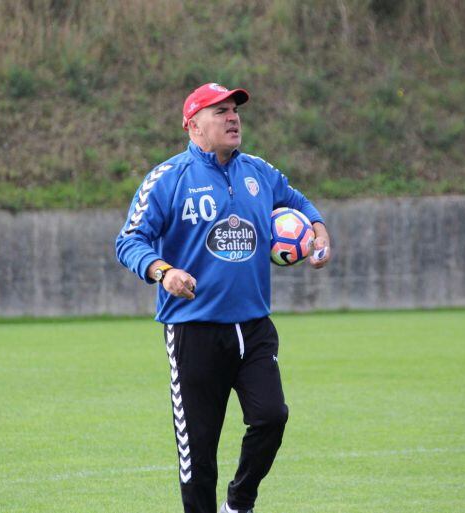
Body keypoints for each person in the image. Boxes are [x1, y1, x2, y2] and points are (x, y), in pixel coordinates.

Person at [115, 82, 331, 513]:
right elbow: (130, 240)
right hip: (193, 331)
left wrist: (319, 230)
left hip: (253, 327)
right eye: (220, 111)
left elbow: (300, 204)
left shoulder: (259, 173)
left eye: (235, 110)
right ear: (193, 126)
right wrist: (164, 271)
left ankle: (240, 501)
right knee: (199, 455)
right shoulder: (167, 178)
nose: (233, 117)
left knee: (272, 417)